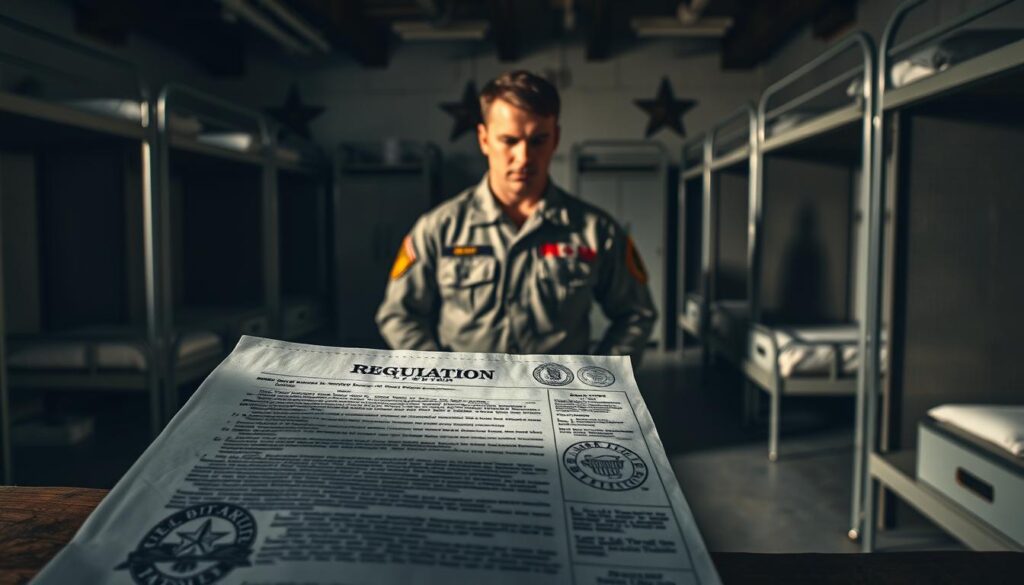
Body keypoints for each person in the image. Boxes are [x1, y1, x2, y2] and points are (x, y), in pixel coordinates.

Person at [376, 70, 656, 364]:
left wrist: (597, 379)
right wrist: (443, 377)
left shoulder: (595, 231)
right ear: (484, 139)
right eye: (509, 140)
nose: (523, 157)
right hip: (469, 403)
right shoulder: (440, 229)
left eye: (538, 140)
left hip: (556, 400)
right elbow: (398, 315)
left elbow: (636, 315)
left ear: (556, 138)